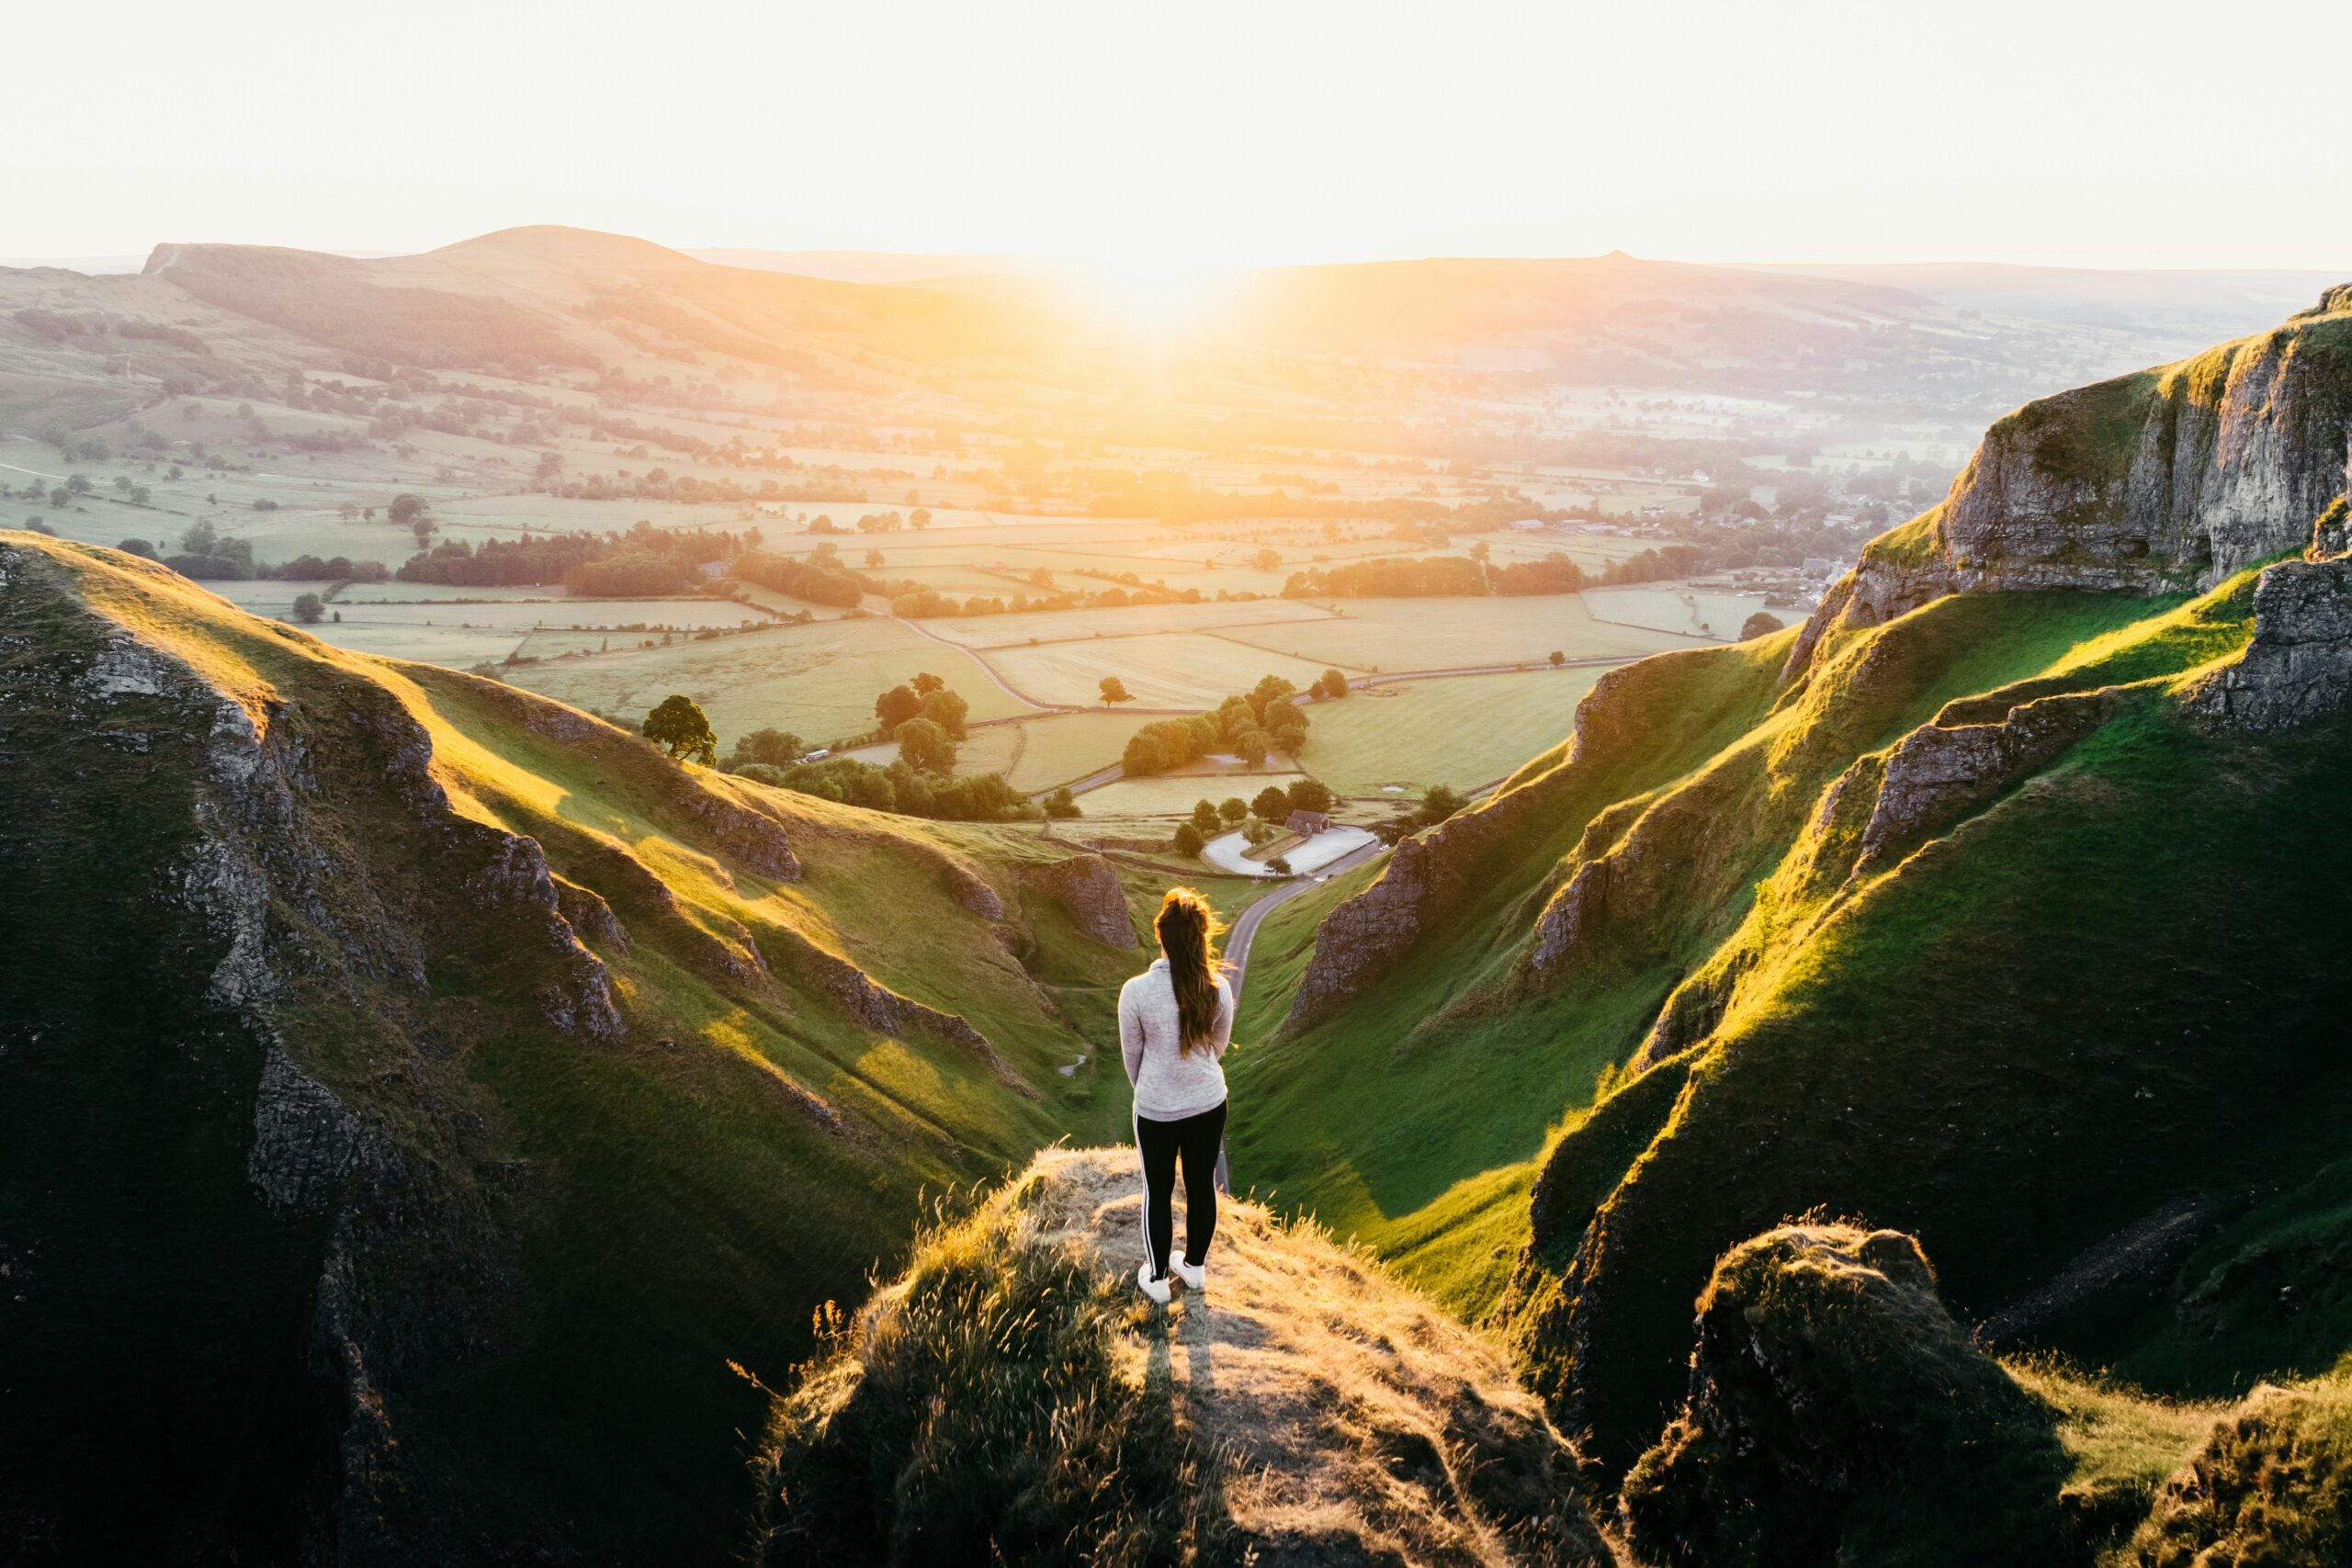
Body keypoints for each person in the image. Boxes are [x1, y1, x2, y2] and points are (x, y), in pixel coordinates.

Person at [1119, 886, 1235, 1303]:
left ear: (1160, 937)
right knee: (1202, 1184)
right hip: (1208, 1101)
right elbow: (1219, 1045)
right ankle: (1195, 1268)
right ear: (1199, 938)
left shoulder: (1135, 992)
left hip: (1156, 1109)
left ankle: (1156, 1277)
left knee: (1159, 1189)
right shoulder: (1218, 987)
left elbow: (1133, 1058)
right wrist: (1192, 1074)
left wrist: (1154, 1089)